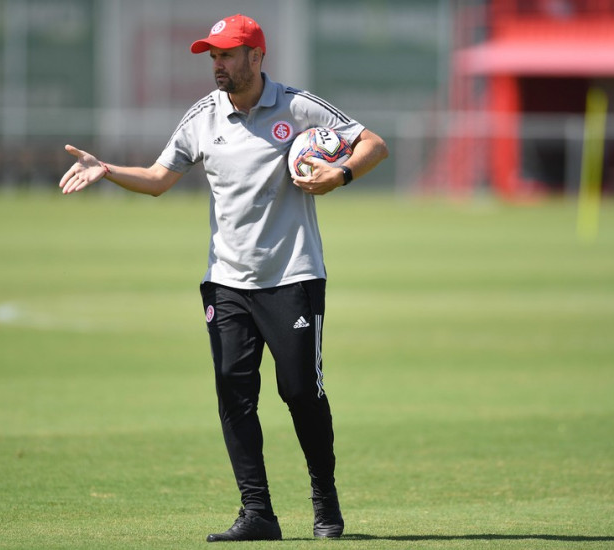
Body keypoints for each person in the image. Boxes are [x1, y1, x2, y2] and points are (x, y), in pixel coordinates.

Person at [58, 14, 388, 542]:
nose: (217, 64)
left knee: (301, 392)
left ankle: (325, 501)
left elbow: (373, 142)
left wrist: (340, 172)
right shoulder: (201, 118)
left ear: (256, 58)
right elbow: (160, 179)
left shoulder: (297, 105)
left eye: (227, 55)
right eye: (212, 55)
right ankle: (257, 512)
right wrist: (110, 170)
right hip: (227, 282)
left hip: (293, 277)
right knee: (234, 396)